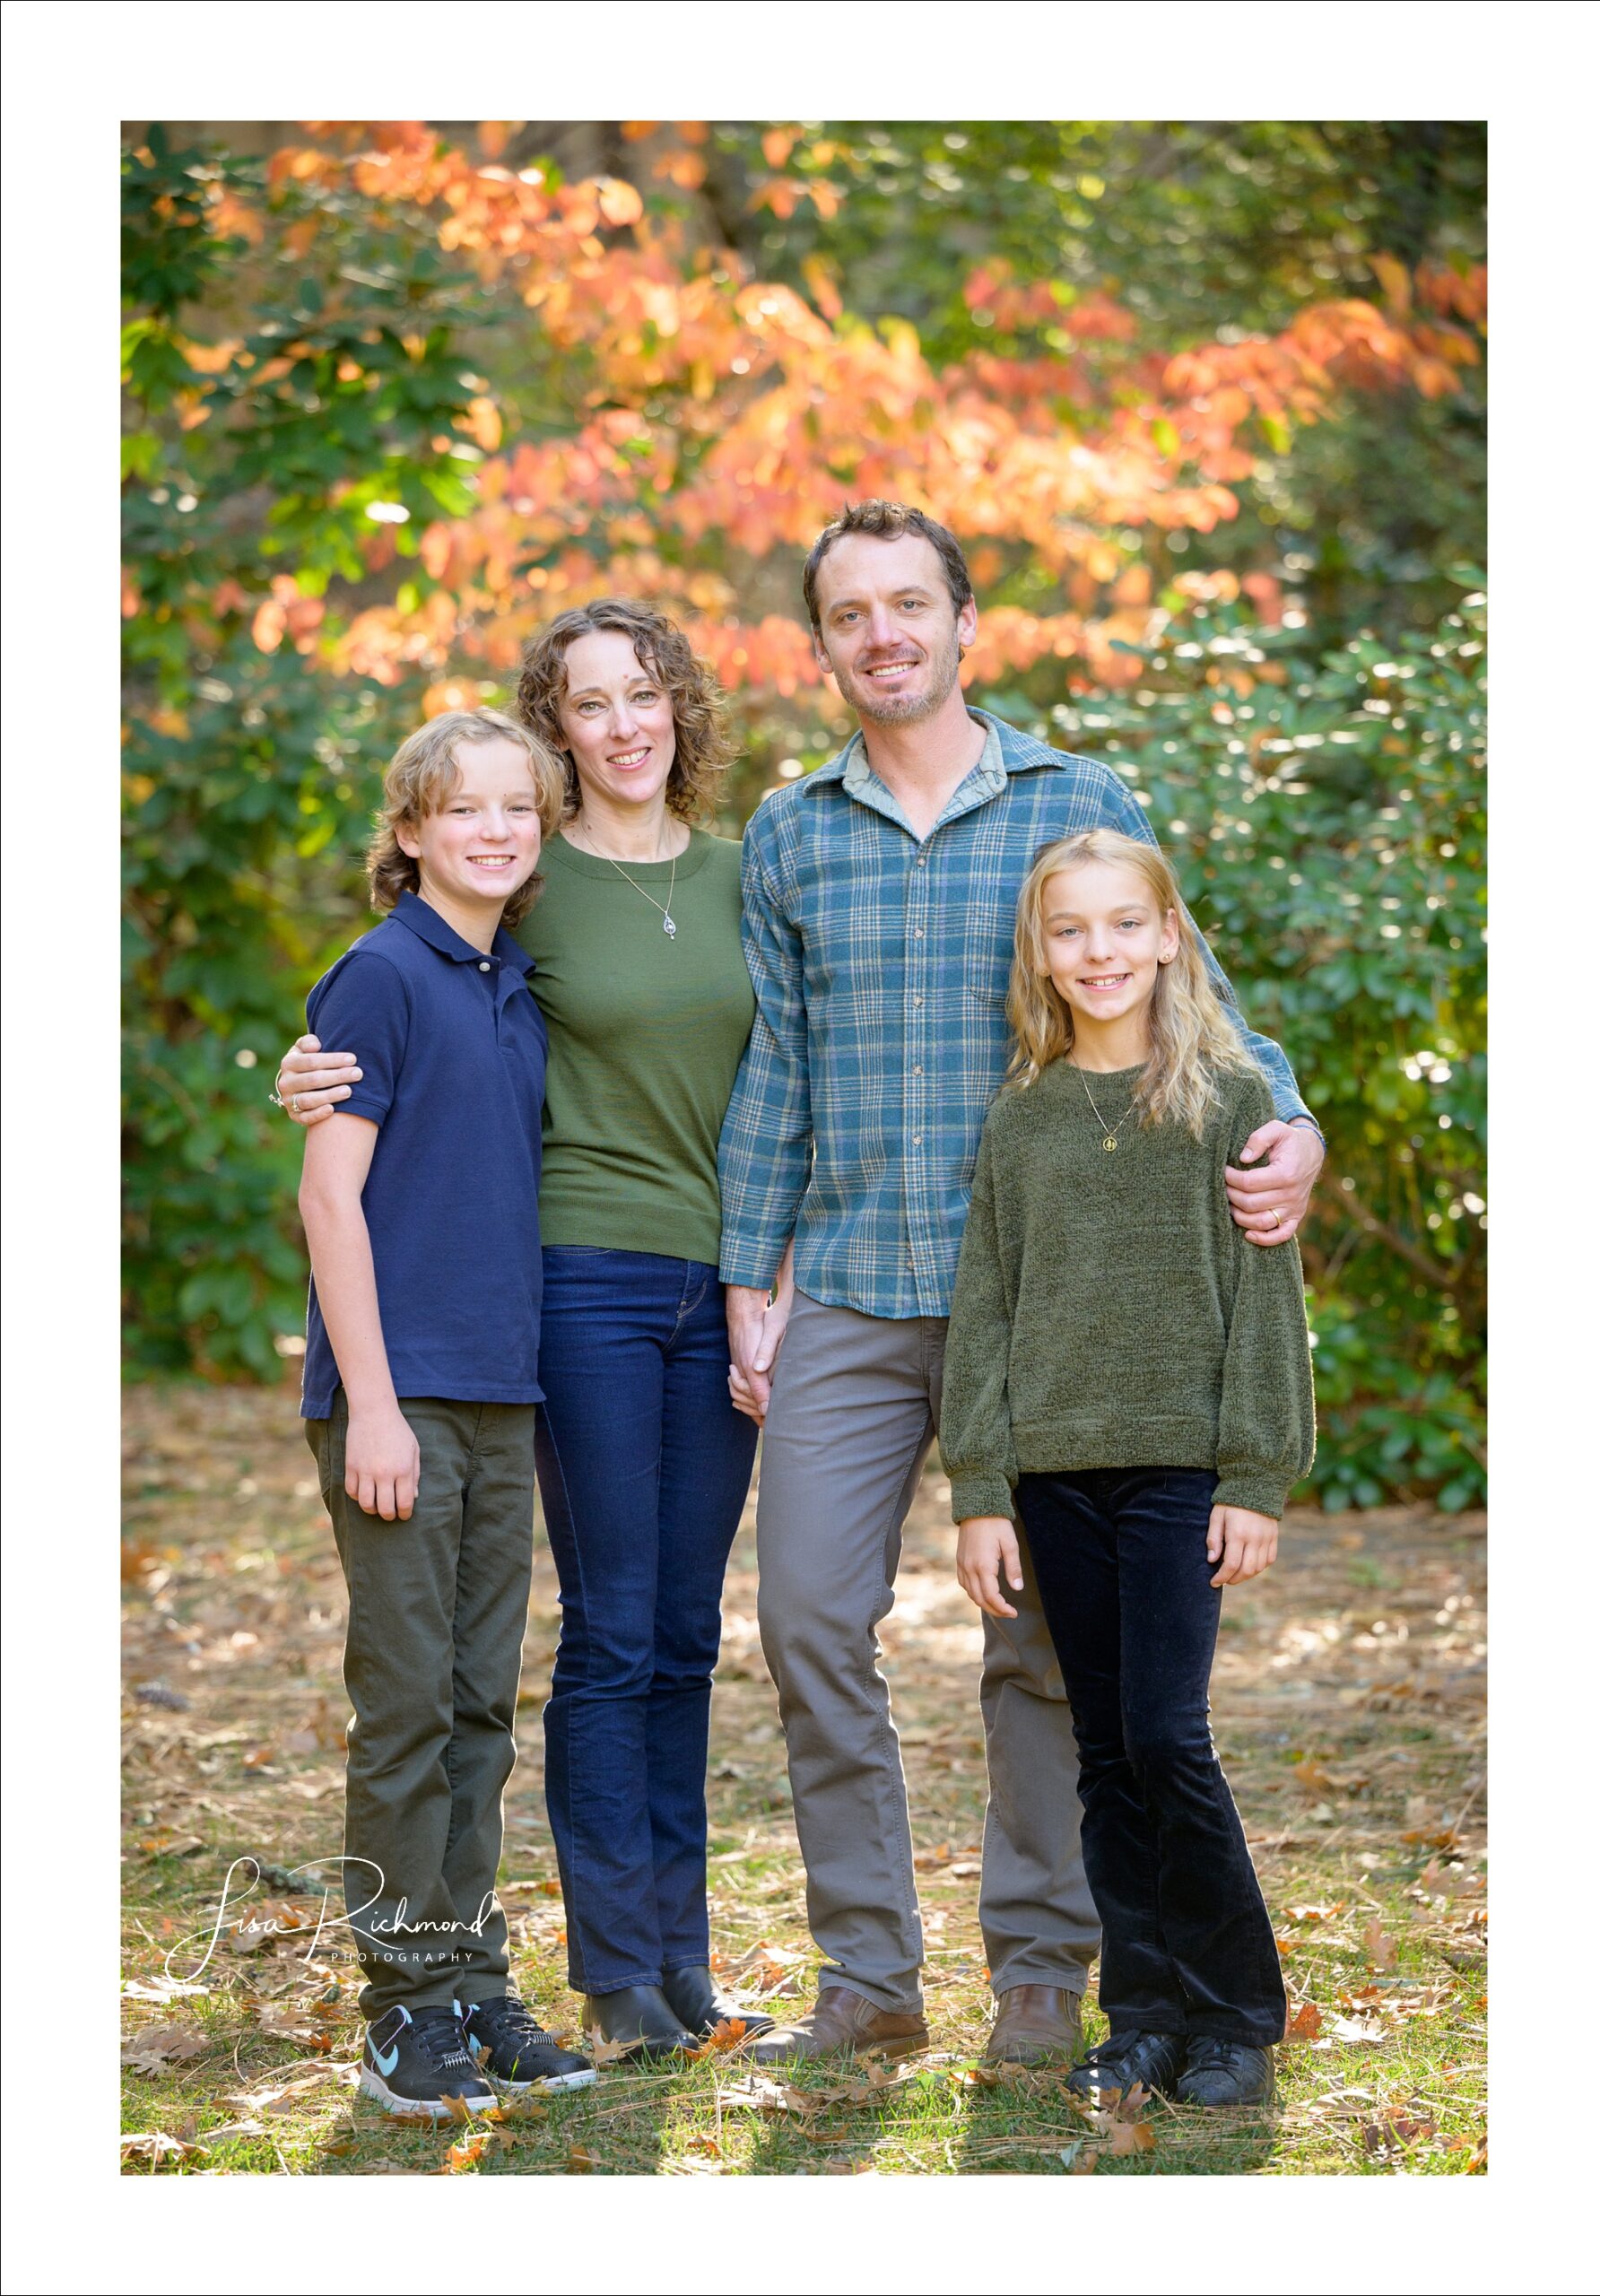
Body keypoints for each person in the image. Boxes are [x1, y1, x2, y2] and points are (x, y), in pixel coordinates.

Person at [720, 500, 1325, 2069]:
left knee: (1048, 1650)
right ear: (823, 644)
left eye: (908, 604)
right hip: (854, 1280)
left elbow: (1192, 998)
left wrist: (1295, 1125)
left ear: (963, 620)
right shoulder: (790, 831)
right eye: (849, 613)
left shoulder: (1074, 796)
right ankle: (866, 1973)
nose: (883, 635)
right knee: (803, 1619)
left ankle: (1049, 1965)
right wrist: (749, 1273)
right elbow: (775, 1067)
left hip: (1058, 1305)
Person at [277, 604, 776, 2060]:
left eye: (643, 695)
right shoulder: (442, 940)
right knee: (478, 1680)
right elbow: (346, 1151)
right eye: (585, 706)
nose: (620, 724)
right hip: (503, 1335)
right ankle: (461, 1994)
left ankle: (522, 1982)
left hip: (607, 1331)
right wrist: (312, 1086)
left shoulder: (662, 911)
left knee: (561, 1672)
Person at [943, 829, 1313, 2107]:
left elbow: (1265, 1307)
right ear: (1040, 956)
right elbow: (986, 1312)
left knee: (1167, 1738)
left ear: (1167, 936)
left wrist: (1255, 1476)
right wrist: (979, 1491)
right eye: (1068, 931)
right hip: (1053, 1475)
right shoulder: (1024, 1118)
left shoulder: (1226, 1101)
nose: (1096, 952)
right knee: (1102, 1751)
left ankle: (1233, 2015)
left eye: (1119, 925)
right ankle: (1142, 2010)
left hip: (1177, 1472)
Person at [298, 706, 595, 2116]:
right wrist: (370, 1405)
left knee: (481, 1705)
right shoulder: (380, 976)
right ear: (410, 830)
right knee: (407, 1709)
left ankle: (471, 1984)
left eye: (518, 811)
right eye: (464, 808)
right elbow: (328, 1196)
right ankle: (401, 2007)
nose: (493, 829)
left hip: (497, 1392)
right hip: (396, 1399)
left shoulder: (511, 983)